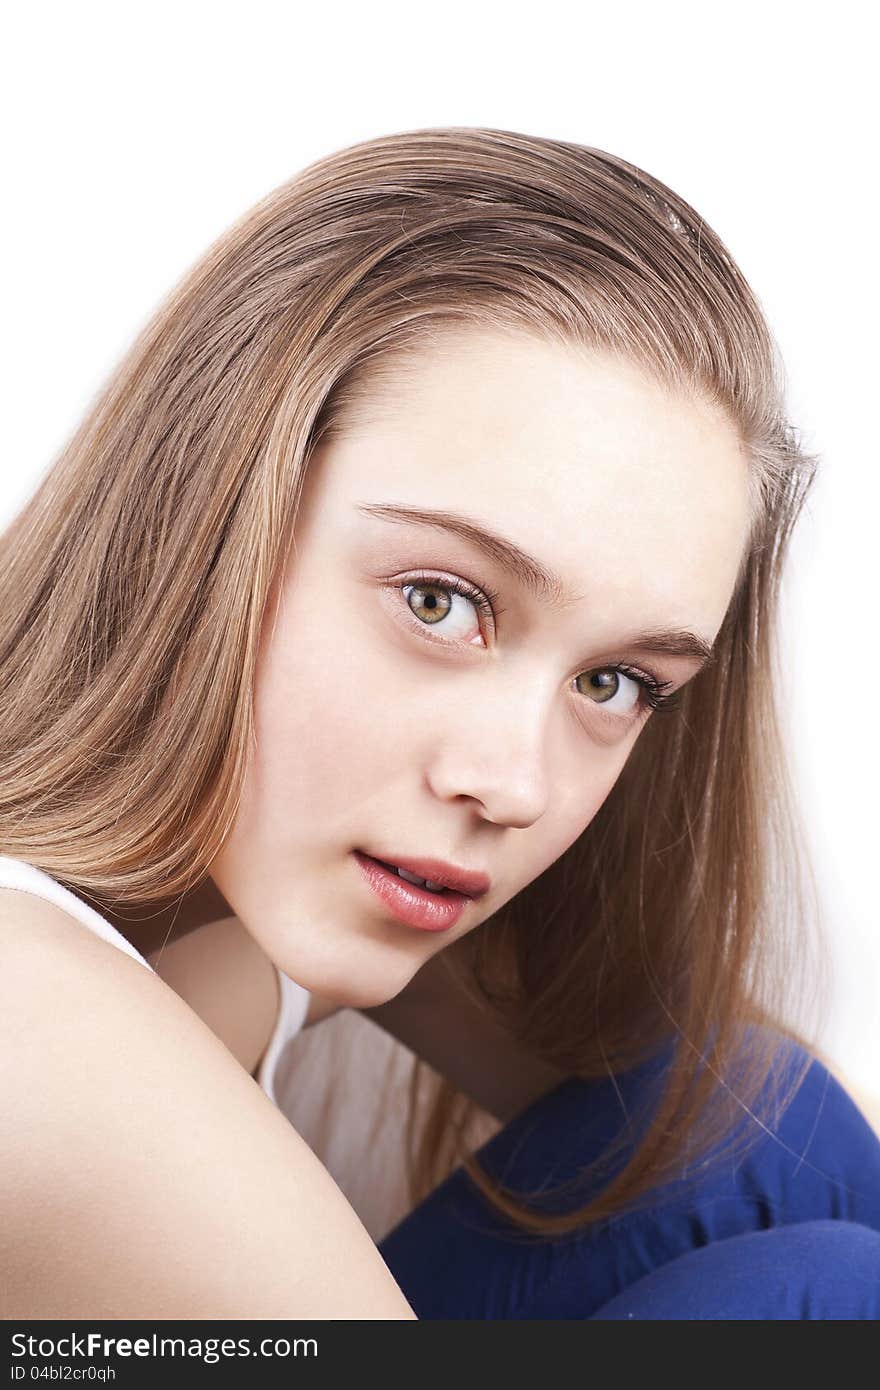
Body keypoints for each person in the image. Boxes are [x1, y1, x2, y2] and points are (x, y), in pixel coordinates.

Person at [1, 126, 878, 1320]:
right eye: (440, 602)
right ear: (205, 518)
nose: (514, 785)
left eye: (615, 681)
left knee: (765, 1136)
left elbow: (717, 1117)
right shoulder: (49, 1036)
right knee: (826, 1290)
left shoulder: (223, 890)